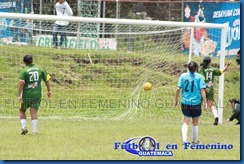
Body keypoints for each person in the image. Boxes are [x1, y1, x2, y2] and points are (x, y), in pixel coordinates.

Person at [175, 61, 207, 144]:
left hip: (185, 102)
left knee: (186, 121)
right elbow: (202, 90)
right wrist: (205, 102)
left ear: (188, 68)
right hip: (196, 103)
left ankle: (185, 140)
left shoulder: (183, 76)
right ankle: (195, 140)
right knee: (195, 123)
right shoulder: (200, 77)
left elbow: (178, 89)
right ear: (197, 68)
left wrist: (176, 99)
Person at [18, 55, 51, 135]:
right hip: (37, 94)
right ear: (32, 60)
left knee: (22, 110)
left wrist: (19, 95)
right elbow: (47, 79)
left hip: (26, 94)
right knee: (34, 112)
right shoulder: (40, 68)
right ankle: (34, 131)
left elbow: (21, 84)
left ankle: (24, 127)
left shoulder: (24, 71)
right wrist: (49, 90)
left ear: (24, 62)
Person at [199, 56, 231, 126]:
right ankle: (216, 116)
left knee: (198, 104)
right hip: (210, 89)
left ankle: (195, 119)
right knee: (212, 105)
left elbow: (202, 78)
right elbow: (221, 71)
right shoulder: (213, 69)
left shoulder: (202, 69)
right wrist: (227, 65)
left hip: (203, 88)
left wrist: (204, 86)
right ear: (210, 62)